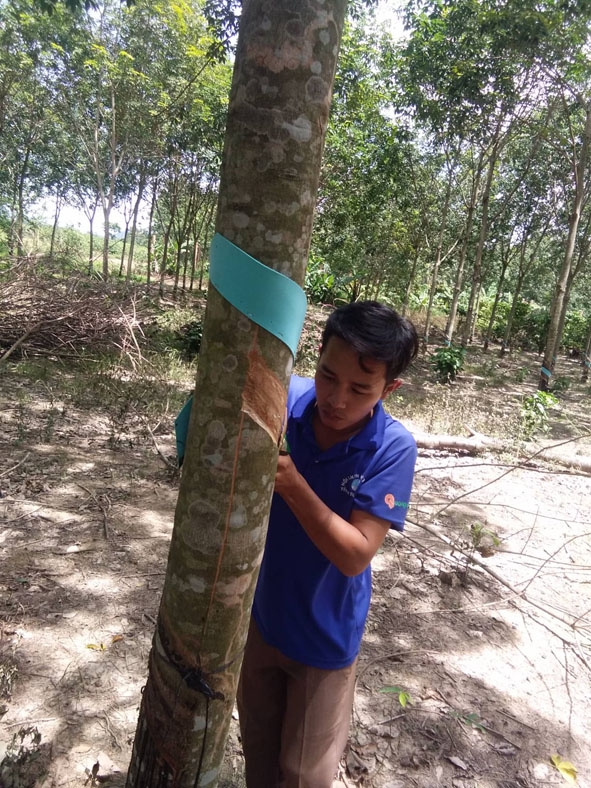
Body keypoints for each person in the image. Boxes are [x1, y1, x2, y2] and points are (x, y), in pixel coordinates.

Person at [237, 300, 419, 788]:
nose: (337, 399)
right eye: (328, 376)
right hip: (262, 618)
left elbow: (356, 553)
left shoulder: (392, 448)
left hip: (325, 637)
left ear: (390, 388)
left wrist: (294, 486)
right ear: (316, 356)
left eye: (360, 389)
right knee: (257, 749)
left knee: (304, 773)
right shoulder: (288, 401)